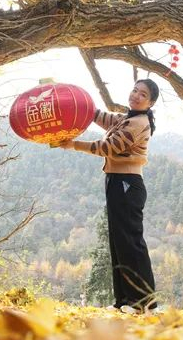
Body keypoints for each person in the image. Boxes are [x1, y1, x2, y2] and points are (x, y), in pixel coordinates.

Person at [59, 79, 159, 313]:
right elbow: (101, 117)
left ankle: (144, 303)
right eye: (135, 90)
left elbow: (109, 147)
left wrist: (73, 144)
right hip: (116, 181)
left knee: (131, 243)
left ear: (150, 102)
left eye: (142, 94)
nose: (136, 95)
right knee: (119, 243)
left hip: (127, 184)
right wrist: (75, 102)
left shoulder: (138, 122)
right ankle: (124, 300)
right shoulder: (127, 118)